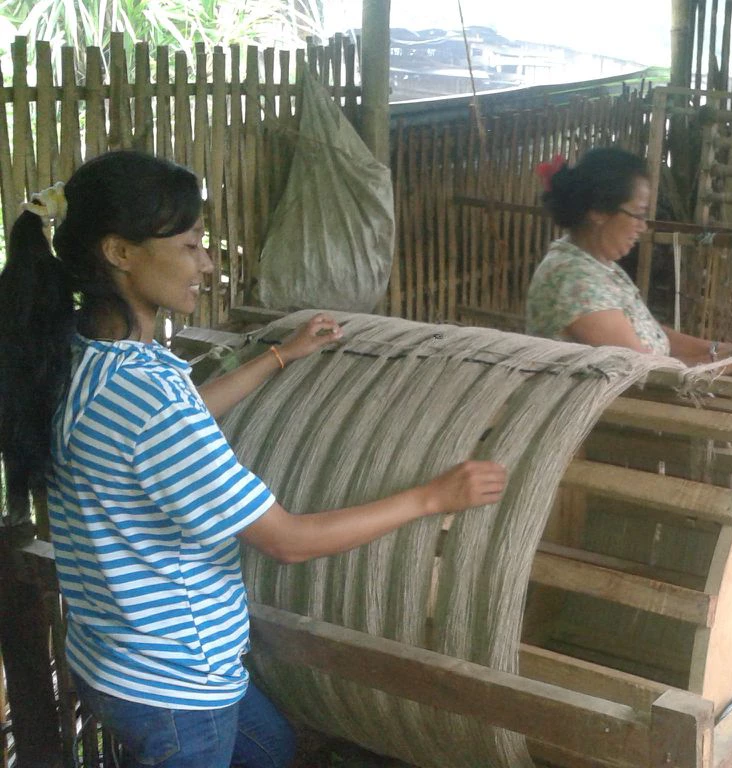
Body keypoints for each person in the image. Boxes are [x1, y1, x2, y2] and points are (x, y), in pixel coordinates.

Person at [0, 151, 507, 767]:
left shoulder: (80, 358)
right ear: (120, 252)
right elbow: (286, 540)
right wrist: (434, 497)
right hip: (176, 688)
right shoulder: (148, 398)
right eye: (189, 247)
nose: (207, 264)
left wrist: (280, 357)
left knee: (272, 749)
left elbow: (171, 427)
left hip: (112, 657)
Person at [525, 147, 732, 372]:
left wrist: (729, 350)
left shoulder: (596, 265)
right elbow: (645, 372)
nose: (642, 227)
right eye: (638, 214)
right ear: (598, 212)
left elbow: (651, 333)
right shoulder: (573, 281)